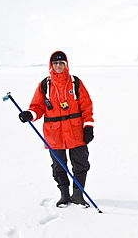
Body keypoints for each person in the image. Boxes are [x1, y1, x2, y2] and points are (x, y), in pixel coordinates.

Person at [18, 51, 94, 208]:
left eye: (61, 63)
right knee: (59, 166)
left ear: (66, 65)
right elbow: (37, 107)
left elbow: (86, 106)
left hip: (76, 132)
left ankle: (78, 195)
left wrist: (88, 127)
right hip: (54, 134)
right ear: (51, 65)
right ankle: (64, 195)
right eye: (55, 63)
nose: (58, 66)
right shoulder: (45, 85)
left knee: (81, 164)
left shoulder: (75, 82)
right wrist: (29, 114)